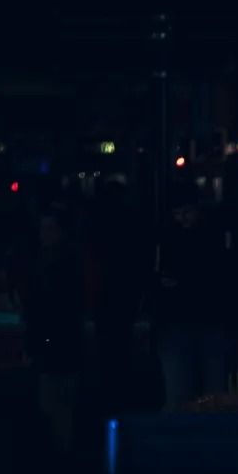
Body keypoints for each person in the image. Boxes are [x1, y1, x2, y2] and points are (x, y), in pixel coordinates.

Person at [155, 185, 236, 410]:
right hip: (198, 323)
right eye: (178, 214)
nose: (182, 219)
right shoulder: (216, 236)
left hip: (196, 323)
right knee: (208, 396)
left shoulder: (170, 237)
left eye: (186, 213)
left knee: (192, 397)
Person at [23, 205, 85, 455]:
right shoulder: (50, 263)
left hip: (58, 342)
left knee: (56, 404)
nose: (44, 234)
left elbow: (42, 309)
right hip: (59, 342)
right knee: (57, 405)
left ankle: (58, 455)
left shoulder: (53, 265)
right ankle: (60, 454)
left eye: (50, 229)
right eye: (43, 229)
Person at [87, 176, 150, 417]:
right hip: (124, 298)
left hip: (109, 299)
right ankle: (121, 406)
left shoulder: (98, 230)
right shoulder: (131, 227)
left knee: (107, 358)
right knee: (121, 355)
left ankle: (109, 409)